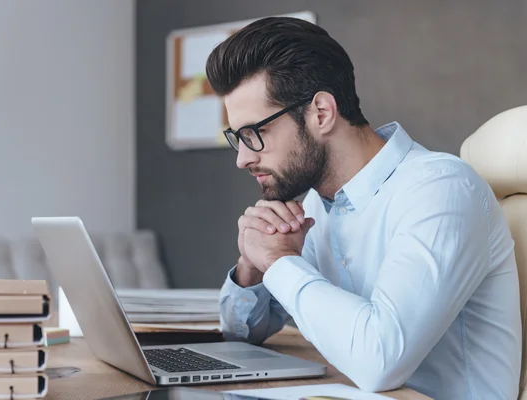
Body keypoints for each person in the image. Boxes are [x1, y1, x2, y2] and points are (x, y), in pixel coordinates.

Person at [205, 16, 521, 400]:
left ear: (321, 112)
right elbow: (240, 333)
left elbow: (379, 361)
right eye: (237, 138)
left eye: (254, 134)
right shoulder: (316, 207)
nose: (241, 159)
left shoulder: (440, 191)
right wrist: (252, 268)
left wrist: (279, 263)